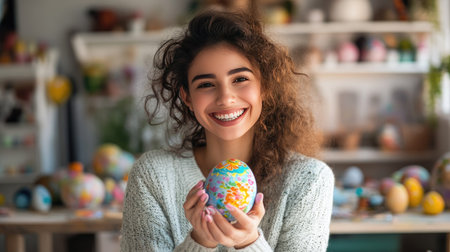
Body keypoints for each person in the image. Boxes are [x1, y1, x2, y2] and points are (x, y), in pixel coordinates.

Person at [121, 9, 334, 252]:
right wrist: (200, 242)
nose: (226, 98)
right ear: (187, 97)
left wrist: (248, 242)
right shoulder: (152, 177)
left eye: (240, 79)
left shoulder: (309, 179)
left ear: (264, 86)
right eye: (206, 84)